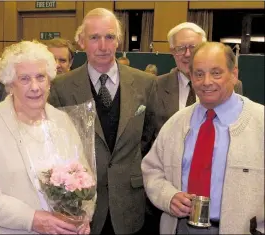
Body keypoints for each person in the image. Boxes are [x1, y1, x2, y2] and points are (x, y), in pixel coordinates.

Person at [48, 8, 158, 235]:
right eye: (94, 37)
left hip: (130, 203)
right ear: (81, 42)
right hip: (82, 205)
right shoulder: (61, 87)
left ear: (118, 41)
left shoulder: (146, 83)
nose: (103, 45)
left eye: (109, 37)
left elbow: (149, 137)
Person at [141, 42, 264, 234]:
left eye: (216, 73)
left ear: (234, 74)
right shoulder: (177, 123)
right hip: (180, 227)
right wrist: (168, 196)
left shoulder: (260, 123)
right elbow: (152, 169)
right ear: (191, 76)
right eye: (199, 74)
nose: (206, 82)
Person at [0, 40, 92, 234]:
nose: (35, 87)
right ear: (9, 84)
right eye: (24, 79)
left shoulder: (62, 120)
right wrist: (31, 219)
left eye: (41, 77)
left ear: (49, 80)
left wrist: (83, 215)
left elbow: (84, 177)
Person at [156, 22, 243, 133]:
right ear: (172, 51)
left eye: (193, 47)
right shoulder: (156, 86)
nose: (187, 54)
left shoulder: (231, 84)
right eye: (180, 48)